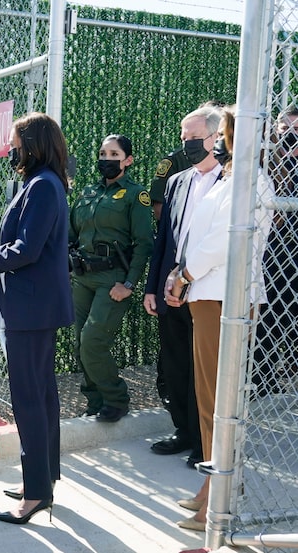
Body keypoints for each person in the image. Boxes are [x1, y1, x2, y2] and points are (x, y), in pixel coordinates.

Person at [0, 112, 73, 525]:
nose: (11, 149)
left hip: (31, 308)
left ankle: (37, 494)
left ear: (32, 144)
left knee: (30, 400)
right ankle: (41, 481)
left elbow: (26, 249)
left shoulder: (42, 186)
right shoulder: (44, 182)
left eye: (15, 142)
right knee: (41, 397)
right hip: (35, 306)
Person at [165, 106, 273, 532]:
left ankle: (221, 492)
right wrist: (182, 273)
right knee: (210, 398)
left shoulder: (249, 181)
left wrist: (185, 274)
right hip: (207, 294)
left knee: (218, 401)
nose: (216, 143)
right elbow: (196, 236)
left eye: (223, 135)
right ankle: (213, 487)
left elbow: (223, 242)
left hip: (224, 297)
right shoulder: (229, 180)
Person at [144, 106, 224, 468]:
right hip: (172, 290)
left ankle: (205, 439)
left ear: (215, 137)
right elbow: (163, 240)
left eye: (194, 137)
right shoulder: (178, 182)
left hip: (206, 288)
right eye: (183, 137)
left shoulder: (229, 181)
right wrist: (153, 286)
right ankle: (184, 430)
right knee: (175, 361)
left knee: (203, 369)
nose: (187, 143)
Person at [69, 134, 154, 422]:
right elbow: (71, 233)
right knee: (81, 344)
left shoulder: (135, 195)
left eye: (114, 154)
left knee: (93, 341)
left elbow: (144, 244)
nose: (107, 159)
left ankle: (116, 399)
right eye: (103, 153)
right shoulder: (88, 193)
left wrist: (129, 283)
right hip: (83, 278)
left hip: (113, 280)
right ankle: (95, 402)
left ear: (127, 160)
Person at [254, 105, 298, 395]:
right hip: (270, 258)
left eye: (297, 132)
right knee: (266, 322)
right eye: (286, 131)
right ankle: (262, 383)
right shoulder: (268, 167)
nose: (290, 137)